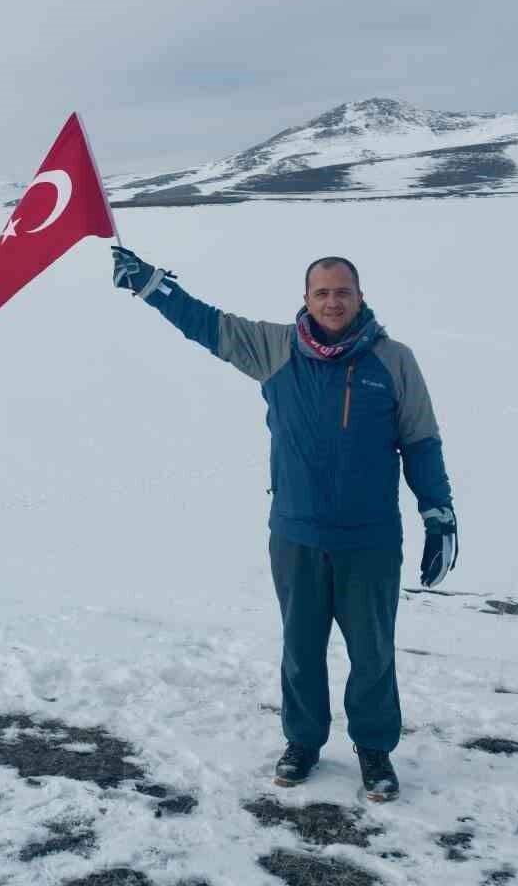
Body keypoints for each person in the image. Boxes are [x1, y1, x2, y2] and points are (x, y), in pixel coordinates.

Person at [111, 246, 457, 803]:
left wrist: (437, 512)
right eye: (322, 292)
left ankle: (374, 749)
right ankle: (302, 742)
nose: (332, 302)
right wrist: (152, 286)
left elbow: (420, 441)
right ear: (306, 299)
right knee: (301, 648)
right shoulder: (276, 348)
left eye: (342, 292)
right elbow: (206, 323)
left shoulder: (394, 360)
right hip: (296, 534)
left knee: (373, 653)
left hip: (370, 539)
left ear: (360, 297)